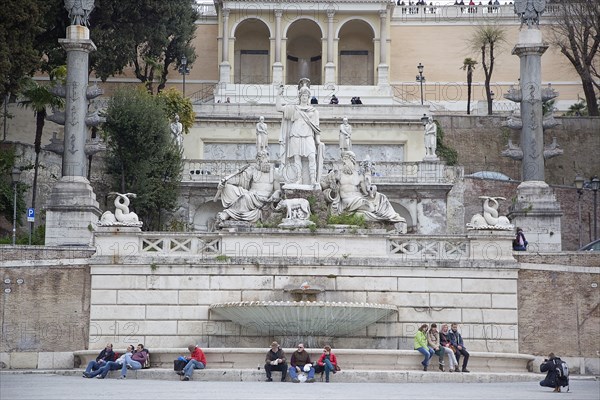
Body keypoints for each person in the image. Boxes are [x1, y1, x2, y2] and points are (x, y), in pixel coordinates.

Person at [321, 151, 406, 228]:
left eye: (346, 160)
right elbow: (323, 185)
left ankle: (392, 216)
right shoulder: (338, 174)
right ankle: (379, 215)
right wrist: (329, 183)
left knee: (381, 197)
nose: (344, 162)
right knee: (367, 205)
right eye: (343, 161)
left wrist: (372, 189)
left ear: (352, 161)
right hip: (347, 201)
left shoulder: (359, 176)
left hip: (359, 198)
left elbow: (366, 192)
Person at [276, 79, 323, 186]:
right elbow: (278, 108)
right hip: (295, 135)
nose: (304, 97)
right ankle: (299, 179)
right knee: (297, 158)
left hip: (308, 135)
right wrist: (279, 95)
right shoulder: (294, 108)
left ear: (308, 97)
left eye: (306, 95)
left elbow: (316, 128)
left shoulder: (314, 111)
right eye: (302, 95)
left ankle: (313, 180)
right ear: (300, 97)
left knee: (312, 156)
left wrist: (318, 141)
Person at [215, 150, 281, 225]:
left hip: (264, 199)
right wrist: (225, 182)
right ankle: (231, 212)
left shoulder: (274, 173)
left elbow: (278, 190)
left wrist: (276, 193)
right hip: (251, 194)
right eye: (263, 162)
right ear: (258, 162)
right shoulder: (252, 170)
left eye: (267, 161)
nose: (266, 164)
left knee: (245, 198)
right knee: (228, 188)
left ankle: (228, 213)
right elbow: (239, 180)